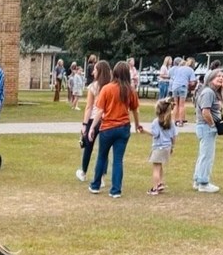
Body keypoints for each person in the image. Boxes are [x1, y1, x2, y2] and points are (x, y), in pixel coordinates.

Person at [86, 60, 144, 198]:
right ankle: (116, 190)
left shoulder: (107, 88)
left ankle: (95, 185)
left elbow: (99, 111)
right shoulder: (130, 90)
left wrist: (92, 127)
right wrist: (137, 124)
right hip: (123, 128)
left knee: (102, 156)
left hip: (107, 128)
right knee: (118, 159)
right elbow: (135, 110)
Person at [76, 59, 111, 183]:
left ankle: (84, 172)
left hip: (93, 119)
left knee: (88, 147)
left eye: (95, 70)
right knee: (104, 149)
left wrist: (85, 124)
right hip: (107, 120)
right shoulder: (111, 86)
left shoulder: (93, 87)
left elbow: (89, 107)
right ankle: (101, 177)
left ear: (99, 71)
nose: (93, 72)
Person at [192, 68, 223, 193]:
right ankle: (203, 183)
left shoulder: (211, 92)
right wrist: (212, 125)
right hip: (206, 127)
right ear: (210, 79)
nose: (221, 78)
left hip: (205, 127)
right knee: (207, 156)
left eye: (222, 76)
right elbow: (205, 111)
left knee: (203, 155)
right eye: (218, 76)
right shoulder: (208, 92)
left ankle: (197, 179)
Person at [147, 97, 177, 195]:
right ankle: (160, 183)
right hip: (167, 147)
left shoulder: (156, 122)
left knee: (156, 168)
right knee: (160, 166)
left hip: (158, 147)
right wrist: (172, 146)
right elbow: (173, 136)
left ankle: (155, 188)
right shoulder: (171, 122)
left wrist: (144, 131)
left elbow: (155, 134)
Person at [169, 57, 196, 126]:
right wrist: (188, 84)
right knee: (181, 105)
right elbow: (192, 82)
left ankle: (173, 120)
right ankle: (180, 121)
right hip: (183, 87)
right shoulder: (190, 70)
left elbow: (173, 77)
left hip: (175, 86)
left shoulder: (178, 68)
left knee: (175, 104)